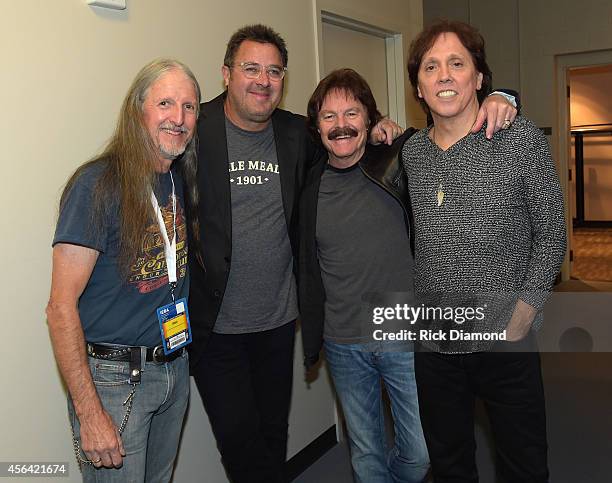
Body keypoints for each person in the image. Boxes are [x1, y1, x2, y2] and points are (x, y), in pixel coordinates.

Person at [187, 24, 406, 483]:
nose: (263, 80)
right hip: (217, 325)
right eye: (251, 68)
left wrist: (384, 125)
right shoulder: (196, 130)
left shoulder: (295, 134)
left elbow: (345, 142)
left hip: (278, 321)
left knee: (272, 434)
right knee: (239, 441)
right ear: (226, 74)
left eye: (274, 71)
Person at [300, 68, 517, 483]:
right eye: (329, 116)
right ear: (317, 127)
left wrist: (504, 95)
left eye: (352, 112)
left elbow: (458, 126)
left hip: (401, 330)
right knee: (365, 454)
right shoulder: (309, 185)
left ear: (370, 119)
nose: (341, 125)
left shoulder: (403, 158)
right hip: (342, 342)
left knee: (419, 452)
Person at [401, 20, 566, 483]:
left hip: (505, 340)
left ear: (479, 78)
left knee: (524, 464)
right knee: (450, 463)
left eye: (457, 63)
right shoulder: (412, 154)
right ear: (418, 85)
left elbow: (552, 234)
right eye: (431, 67)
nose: (445, 76)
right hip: (435, 344)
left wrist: (523, 315)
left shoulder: (520, 140)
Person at [46, 58, 201, 482]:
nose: (178, 117)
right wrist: (90, 413)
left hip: (173, 367)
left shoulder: (178, 180)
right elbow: (60, 308)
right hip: (114, 381)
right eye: (165, 103)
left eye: (189, 107)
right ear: (138, 111)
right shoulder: (97, 184)